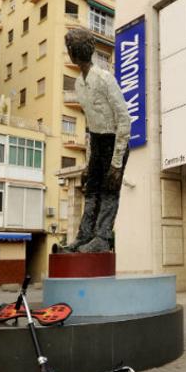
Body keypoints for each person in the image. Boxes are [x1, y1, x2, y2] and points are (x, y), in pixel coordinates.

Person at [63, 27, 132, 253]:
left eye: (70, 48)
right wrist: (89, 160)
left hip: (115, 141)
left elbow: (124, 119)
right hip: (97, 141)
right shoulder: (79, 84)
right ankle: (84, 236)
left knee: (109, 190)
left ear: (75, 52)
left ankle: (102, 238)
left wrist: (117, 162)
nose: (70, 52)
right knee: (91, 190)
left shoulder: (104, 79)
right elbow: (91, 127)